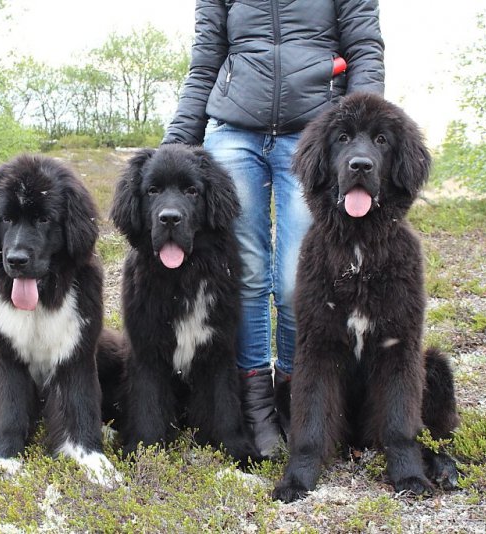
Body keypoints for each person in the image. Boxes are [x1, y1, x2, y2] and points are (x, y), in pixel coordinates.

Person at [162, 0, 385, 458]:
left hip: (315, 133)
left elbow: (364, 48)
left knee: (294, 281)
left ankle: (293, 392)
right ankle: (254, 404)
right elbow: (206, 57)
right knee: (242, 274)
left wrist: (358, 130)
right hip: (233, 132)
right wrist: (177, 143)